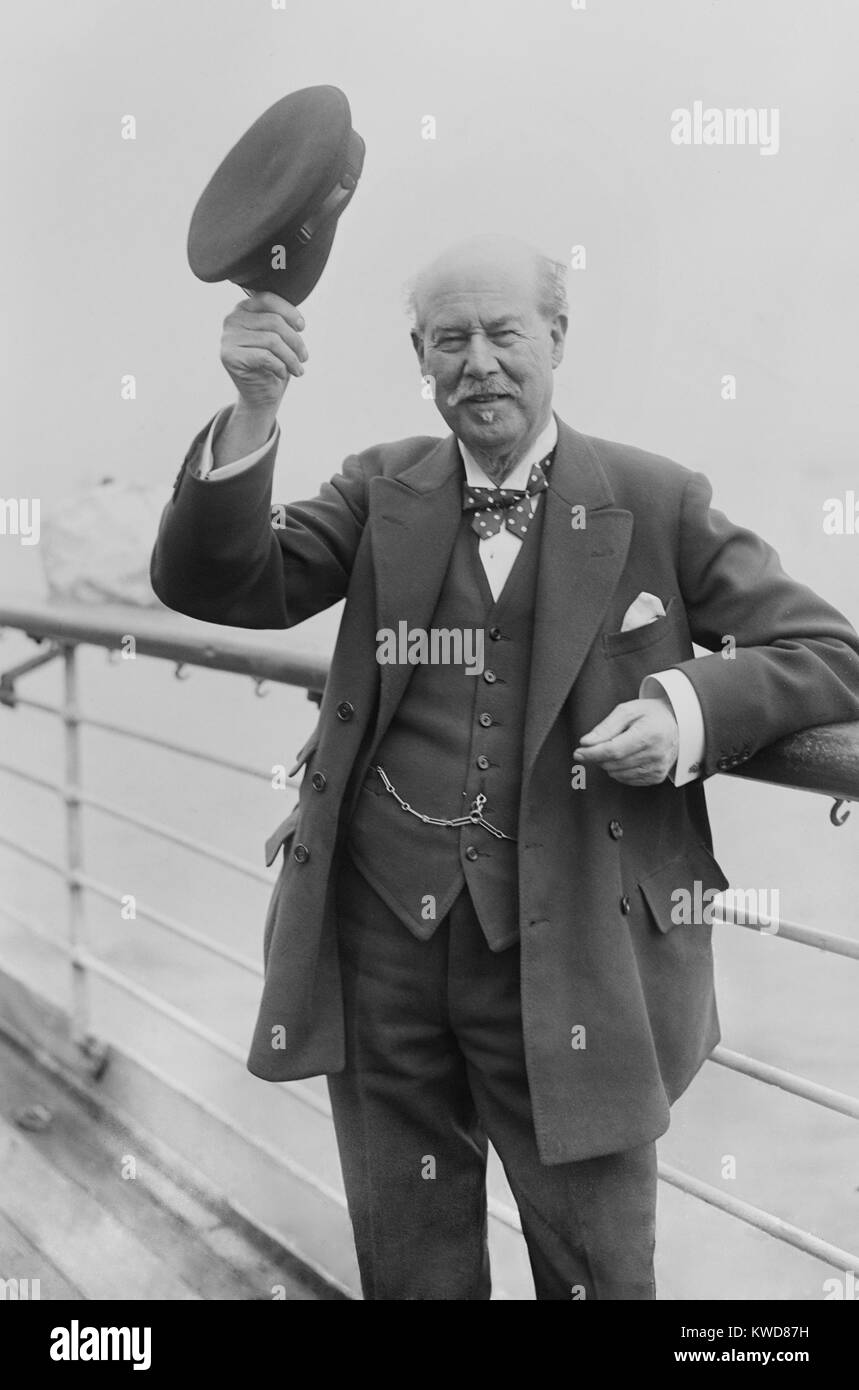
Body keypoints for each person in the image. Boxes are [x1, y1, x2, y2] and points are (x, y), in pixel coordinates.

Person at [151, 235, 859, 1299]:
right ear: (421, 358)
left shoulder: (655, 500)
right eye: (450, 340)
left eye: (503, 333)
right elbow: (220, 581)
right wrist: (254, 408)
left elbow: (828, 654)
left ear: (557, 339)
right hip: (378, 939)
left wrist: (686, 709)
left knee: (596, 1273)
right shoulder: (379, 487)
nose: (477, 361)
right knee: (410, 1265)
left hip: (575, 955)